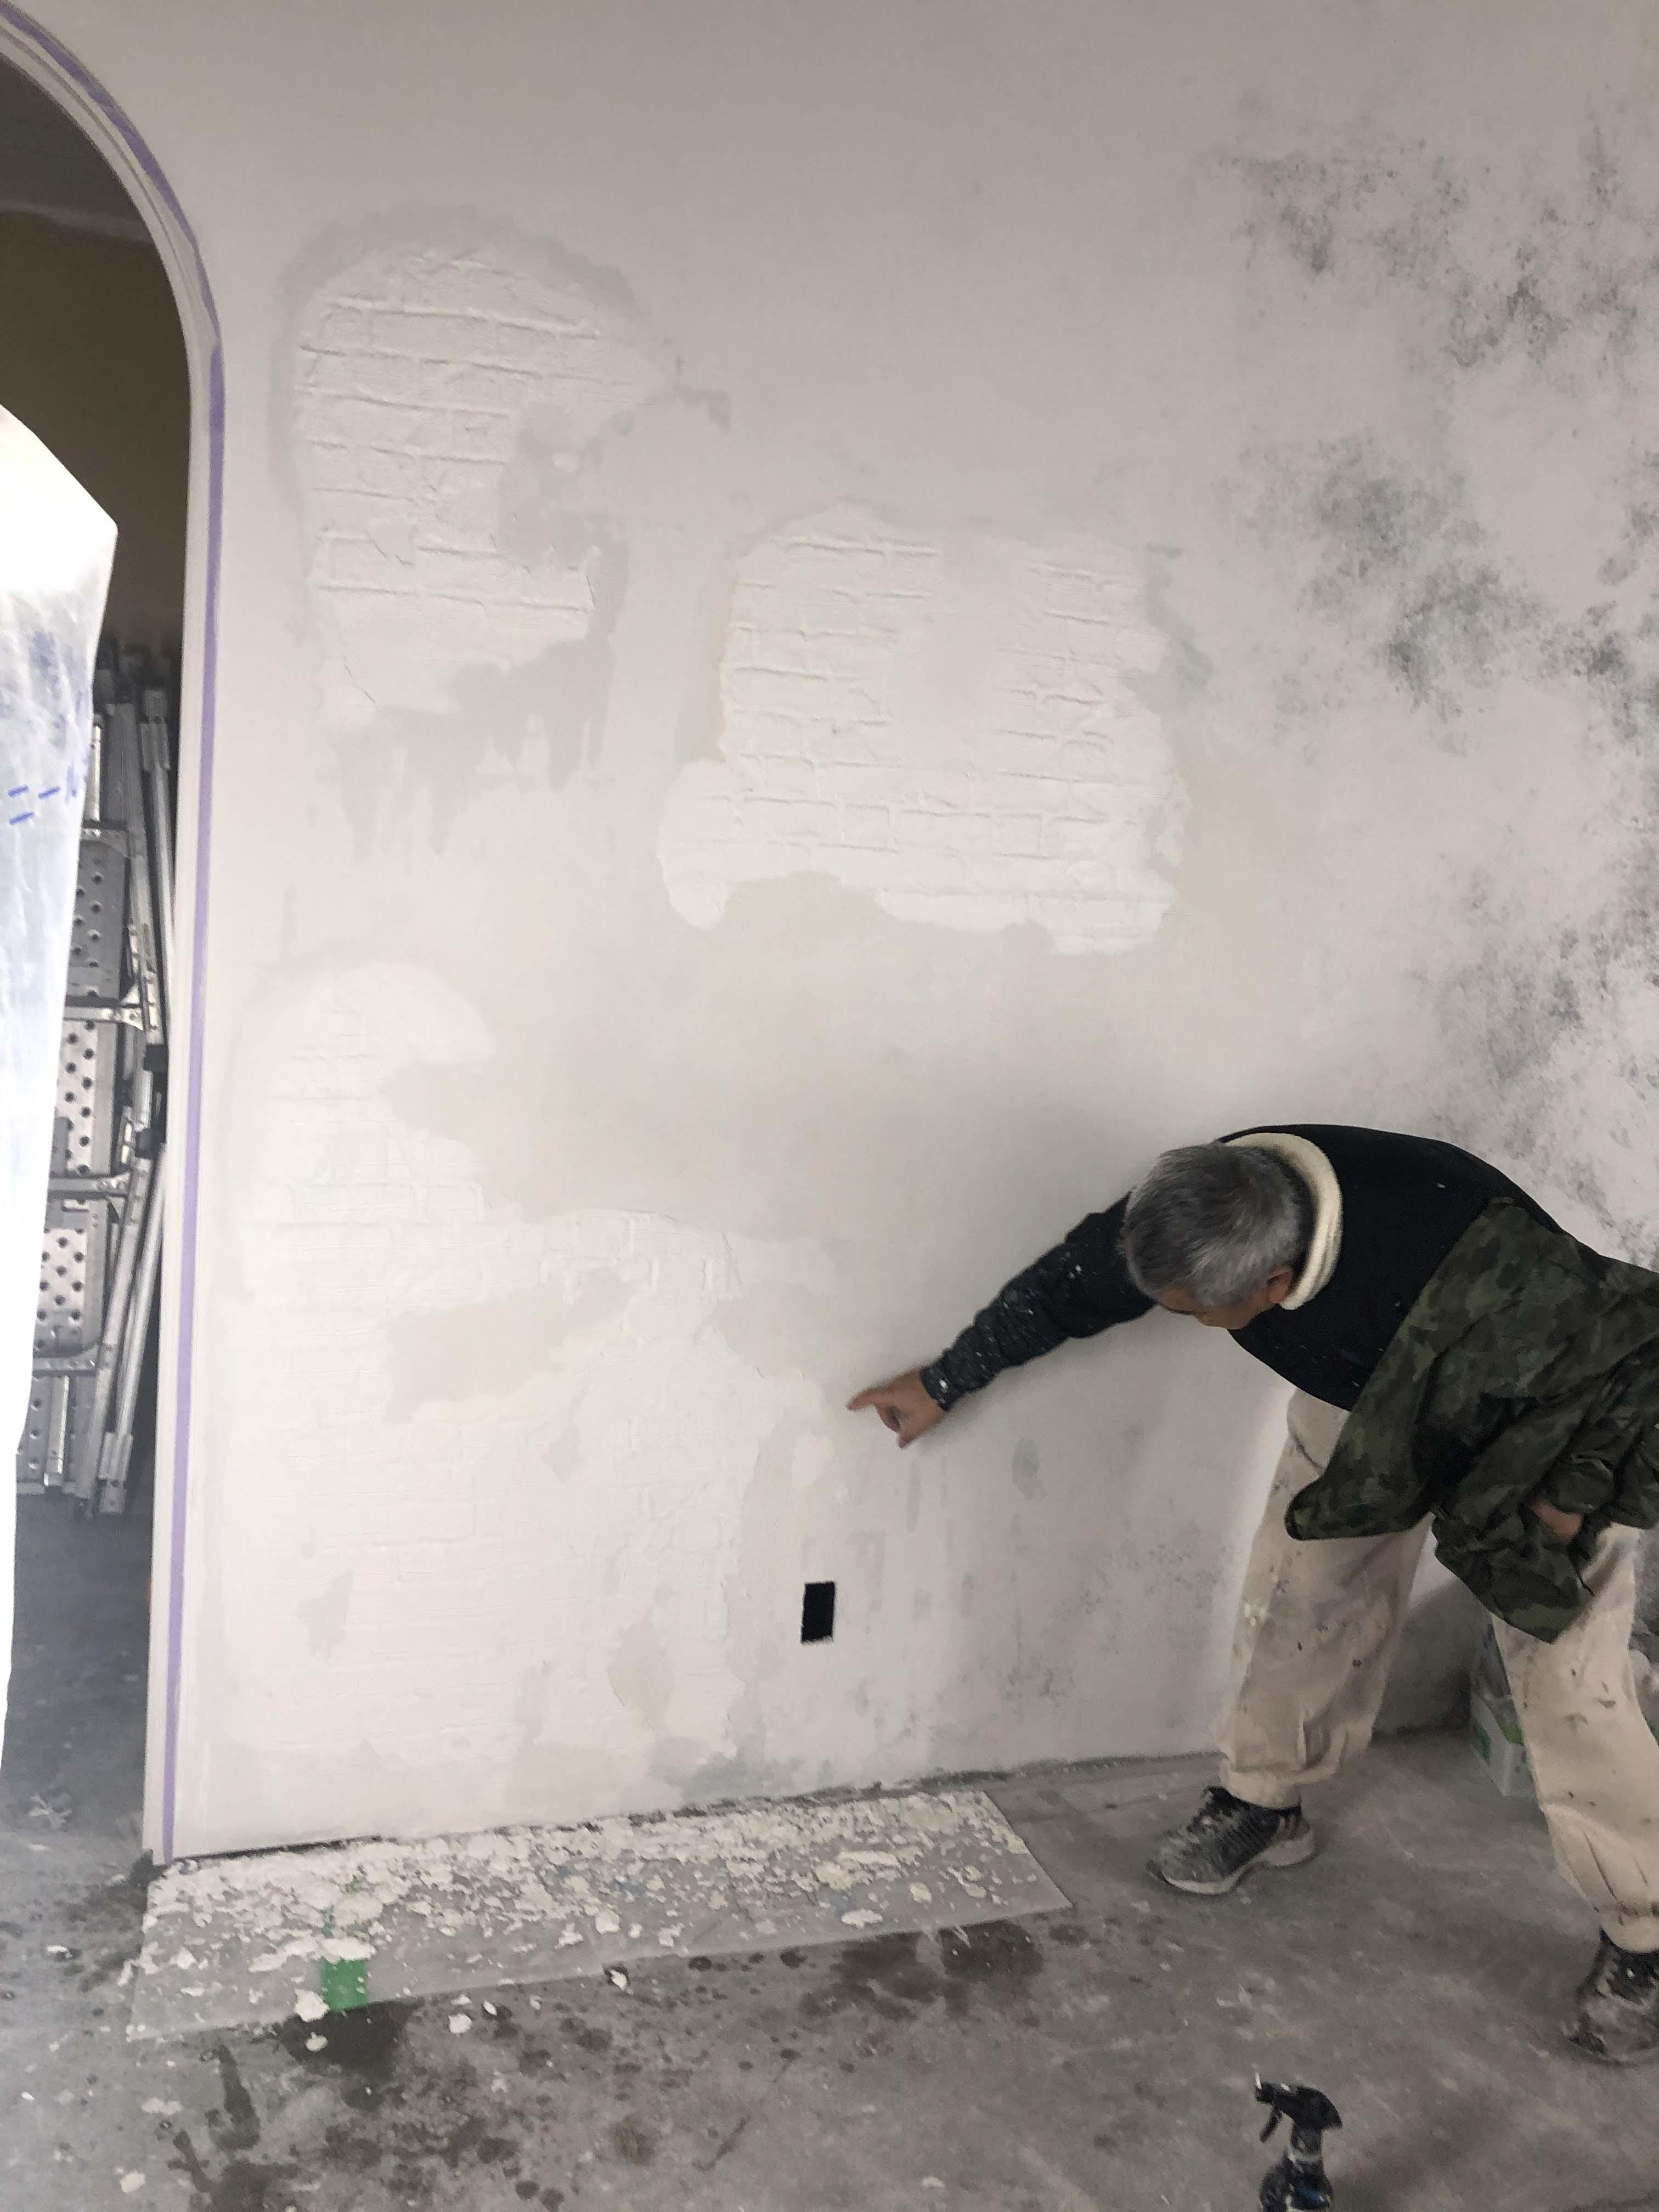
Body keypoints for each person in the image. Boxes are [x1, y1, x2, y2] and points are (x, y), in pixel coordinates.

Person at [849, 1125, 1659, 2066]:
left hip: (1548, 1417)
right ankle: (1265, 1803)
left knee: (1569, 1686)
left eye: (1197, 1313)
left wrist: (1567, 1500)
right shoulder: (1203, 1203)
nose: (1183, 1317)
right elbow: (1075, 1285)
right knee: (1301, 1593)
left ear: (1274, 1286)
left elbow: (1635, 1363)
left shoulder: (1495, 1261)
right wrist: (946, 1378)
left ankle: (1646, 1935)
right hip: (1370, 1395)